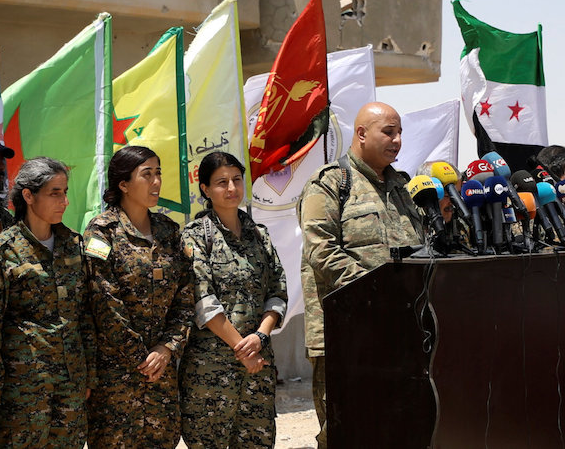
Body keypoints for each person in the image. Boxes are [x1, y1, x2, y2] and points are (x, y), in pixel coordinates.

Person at [298, 102, 424, 449]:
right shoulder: (330, 185)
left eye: (399, 132)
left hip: (401, 331)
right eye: (389, 131)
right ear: (362, 134)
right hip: (346, 333)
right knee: (347, 431)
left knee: (398, 426)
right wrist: (378, 293)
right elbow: (320, 250)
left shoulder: (402, 186)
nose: (397, 140)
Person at [83, 145, 194, 448]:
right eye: (147, 175)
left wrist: (167, 348)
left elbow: (185, 296)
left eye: (158, 173)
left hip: (162, 374)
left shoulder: (169, 231)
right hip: (118, 378)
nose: (156, 182)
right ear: (123, 184)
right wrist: (141, 358)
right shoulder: (101, 233)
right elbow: (104, 301)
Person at [0, 157, 93, 448]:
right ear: (28, 196)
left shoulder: (74, 246)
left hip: (70, 384)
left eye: (65, 192)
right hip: (22, 390)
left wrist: (88, 376)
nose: (64, 201)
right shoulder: (3, 251)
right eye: (55, 193)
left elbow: (85, 316)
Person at [178, 151, 287, 449]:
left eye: (237, 180)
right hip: (211, 372)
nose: (231, 189)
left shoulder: (259, 236)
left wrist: (260, 337)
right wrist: (243, 348)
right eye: (221, 182)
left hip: (257, 368)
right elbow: (203, 301)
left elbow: (277, 292)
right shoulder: (194, 236)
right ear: (205, 189)